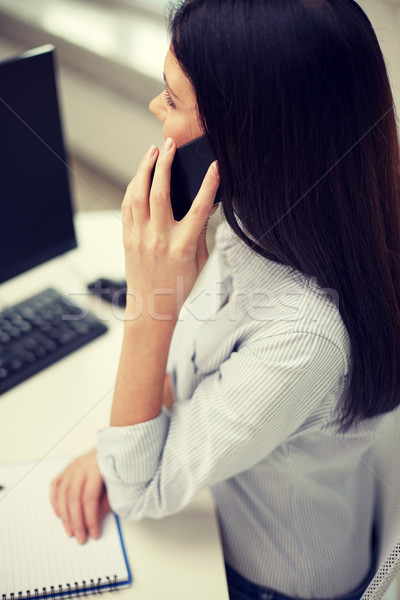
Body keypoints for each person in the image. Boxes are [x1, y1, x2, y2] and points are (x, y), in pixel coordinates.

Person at [50, 1, 400, 598]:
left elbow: (138, 490)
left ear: (245, 137)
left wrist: (148, 302)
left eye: (173, 99)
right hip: (218, 516)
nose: (155, 108)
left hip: (267, 583)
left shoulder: (303, 334)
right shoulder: (264, 226)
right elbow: (192, 373)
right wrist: (118, 444)